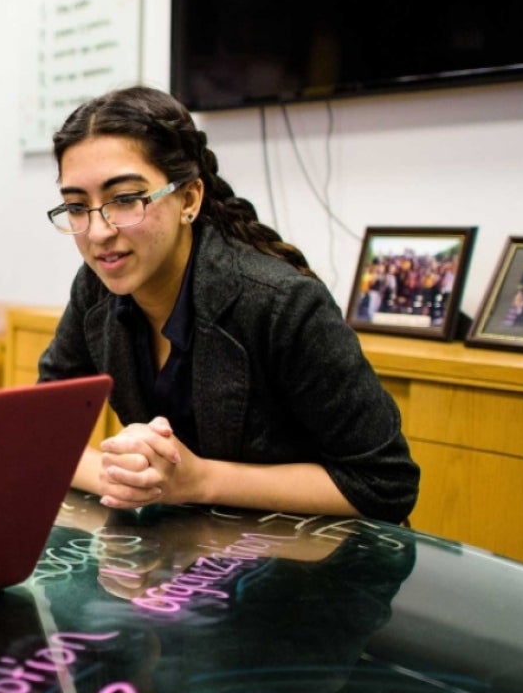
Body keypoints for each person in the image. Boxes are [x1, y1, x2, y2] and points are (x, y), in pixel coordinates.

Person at [38, 86, 418, 523]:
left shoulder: (280, 303)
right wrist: (123, 480)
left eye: (125, 199)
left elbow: (385, 483)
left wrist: (198, 481)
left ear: (189, 199)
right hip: (191, 551)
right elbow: (43, 433)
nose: (98, 232)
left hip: (316, 557)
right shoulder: (96, 289)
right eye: (76, 206)